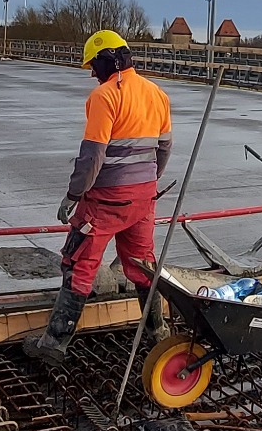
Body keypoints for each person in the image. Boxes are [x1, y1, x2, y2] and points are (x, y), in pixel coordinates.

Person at [24, 30, 173, 364]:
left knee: (78, 264)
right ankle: (158, 336)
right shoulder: (157, 94)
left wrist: (73, 194)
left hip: (105, 201)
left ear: (111, 61)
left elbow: (93, 156)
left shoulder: (105, 97)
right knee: (142, 266)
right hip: (144, 198)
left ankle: (53, 344)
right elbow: (163, 149)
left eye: (94, 65)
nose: (92, 72)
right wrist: (147, 183)